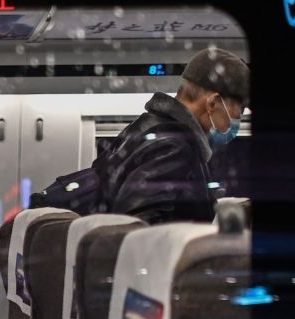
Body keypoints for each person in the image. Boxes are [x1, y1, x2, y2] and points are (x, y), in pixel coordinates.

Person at [95, 46, 249, 224]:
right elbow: (141, 227)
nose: (239, 118)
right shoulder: (174, 146)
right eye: (240, 109)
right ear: (213, 103)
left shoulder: (145, 129)